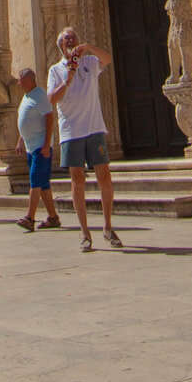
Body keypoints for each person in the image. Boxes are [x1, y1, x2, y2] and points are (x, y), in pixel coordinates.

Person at [48, 26, 119, 252]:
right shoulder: (56, 70)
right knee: (77, 180)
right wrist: (68, 77)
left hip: (94, 127)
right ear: (60, 45)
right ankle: (85, 232)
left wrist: (88, 47)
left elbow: (107, 59)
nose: (71, 40)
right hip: (71, 131)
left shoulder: (89, 61)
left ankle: (108, 227)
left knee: (104, 176)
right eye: (67, 38)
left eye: (74, 37)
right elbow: (52, 99)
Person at [14, 68, 61, 232]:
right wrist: (21, 140)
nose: (18, 84)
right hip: (30, 146)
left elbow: (49, 118)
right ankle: (53, 217)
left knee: (35, 181)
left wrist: (47, 144)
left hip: (41, 147)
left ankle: (30, 218)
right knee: (43, 184)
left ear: (28, 80)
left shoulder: (40, 95)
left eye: (20, 80)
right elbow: (26, 120)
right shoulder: (27, 96)